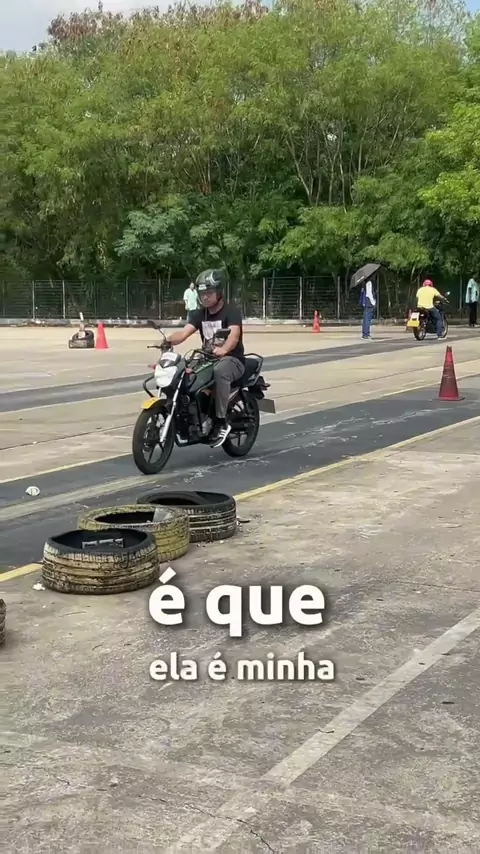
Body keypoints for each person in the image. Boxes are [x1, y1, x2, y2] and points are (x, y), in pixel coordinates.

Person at [166, 269, 245, 447]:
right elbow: (183, 333)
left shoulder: (231, 311)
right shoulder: (200, 314)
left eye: (209, 293)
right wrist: (167, 340)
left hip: (233, 359)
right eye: (202, 294)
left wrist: (224, 349)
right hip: (207, 359)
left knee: (220, 371)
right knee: (182, 371)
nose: (205, 297)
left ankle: (221, 421)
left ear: (219, 292)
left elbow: (234, 336)